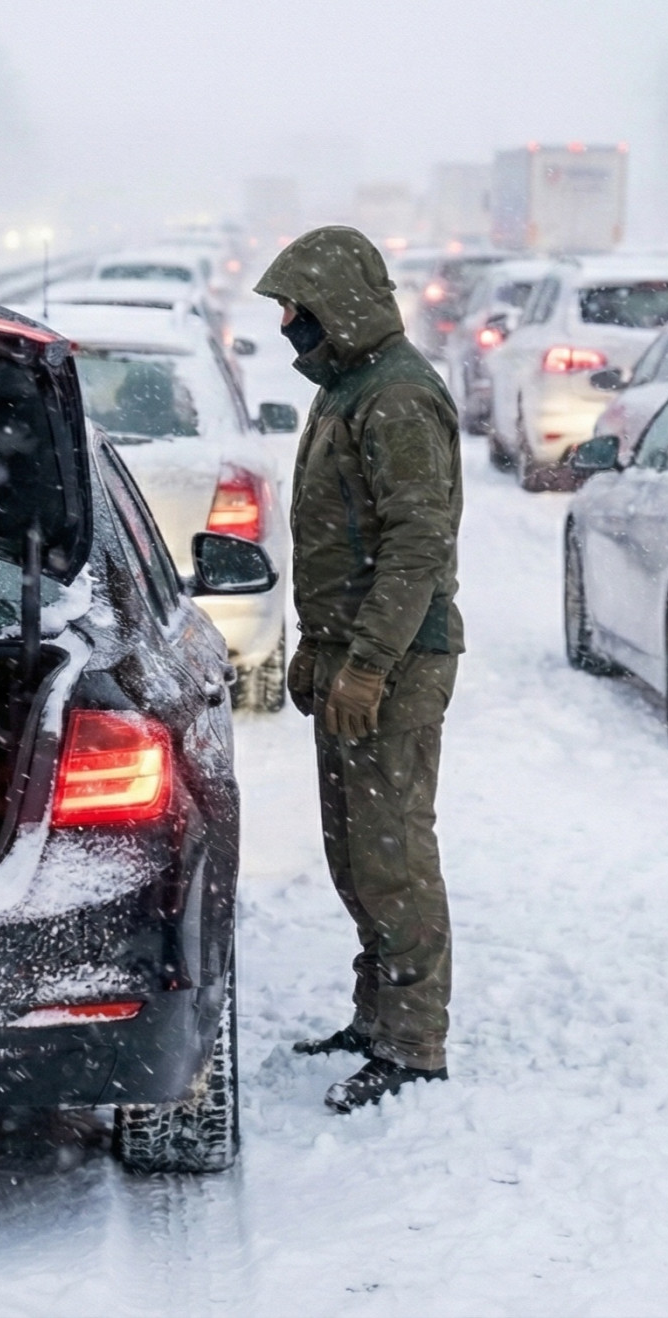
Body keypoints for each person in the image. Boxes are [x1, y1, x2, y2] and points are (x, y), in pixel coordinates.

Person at [253, 227, 463, 1113]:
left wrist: (369, 664)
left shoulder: (398, 398)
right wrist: (317, 646)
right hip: (353, 657)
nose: (288, 325)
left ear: (337, 303)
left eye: (296, 307)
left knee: (394, 856)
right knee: (353, 851)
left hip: (399, 664)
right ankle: (375, 1016)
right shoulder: (347, 389)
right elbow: (340, 540)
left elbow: (416, 546)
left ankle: (414, 1041)